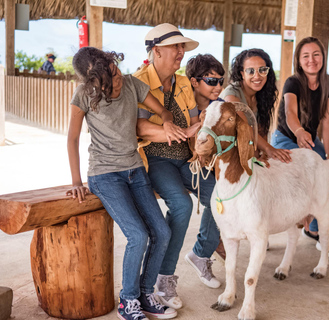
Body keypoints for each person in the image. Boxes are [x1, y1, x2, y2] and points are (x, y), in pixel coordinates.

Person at [66, 47, 182, 320]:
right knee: (138, 235)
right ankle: (127, 301)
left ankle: (144, 294)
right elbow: (71, 139)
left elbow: (164, 111)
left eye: (116, 71)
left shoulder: (132, 83)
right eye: (111, 79)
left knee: (162, 233)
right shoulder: (83, 95)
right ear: (93, 81)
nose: (118, 80)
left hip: (135, 171)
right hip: (105, 175)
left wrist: (167, 123)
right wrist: (75, 181)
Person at [133, 23, 221, 310]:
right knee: (181, 206)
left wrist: (199, 131)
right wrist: (174, 132)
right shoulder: (139, 80)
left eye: (182, 46)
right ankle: (164, 277)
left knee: (221, 197)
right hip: (156, 159)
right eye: (176, 47)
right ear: (156, 51)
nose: (181, 52)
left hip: (186, 157)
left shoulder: (183, 82)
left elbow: (195, 119)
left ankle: (201, 253)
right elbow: (140, 126)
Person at [270, 37, 329, 259]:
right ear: (299, 61)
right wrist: (299, 131)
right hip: (287, 137)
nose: (311, 60)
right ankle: (296, 223)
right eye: (306, 56)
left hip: (311, 140)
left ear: (323, 57)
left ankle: (322, 234)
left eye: (316, 55)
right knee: (299, 176)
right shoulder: (293, 82)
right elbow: (290, 113)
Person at [184, 53, 229, 266]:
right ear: (194, 81)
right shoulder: (183, 103)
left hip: (211, 165)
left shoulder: (219, 106)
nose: (218, 86)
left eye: (221, 81)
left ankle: (212, 244)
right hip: (185, 162)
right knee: (217, 197)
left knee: (227, 195)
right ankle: (207, 248)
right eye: (211, 81)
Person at [220, 48, 292, 164]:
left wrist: (262, 155)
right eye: (250, 71)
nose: (257, 76)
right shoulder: (231, 95)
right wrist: (269, 149)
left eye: (262, 70)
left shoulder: (263, 94)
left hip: (247, 153)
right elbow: (245, 128)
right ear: (242, 74)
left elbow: (261, 129)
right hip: (227, 156)